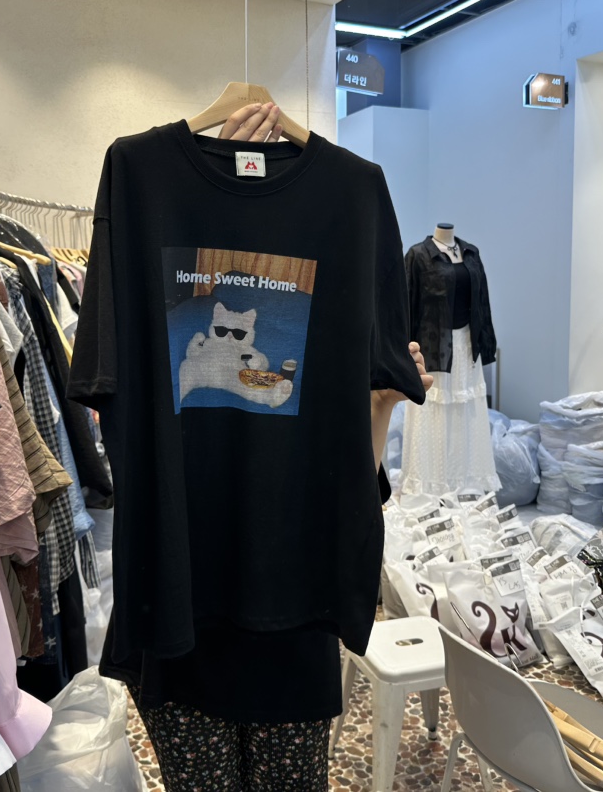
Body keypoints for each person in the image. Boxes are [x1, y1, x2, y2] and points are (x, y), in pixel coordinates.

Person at [77, 102, 433, 791]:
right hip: (177, 606)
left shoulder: (355, 196)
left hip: (292, 611)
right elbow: (110, 390)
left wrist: (380, 403)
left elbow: (354, 476)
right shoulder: (137, 178)